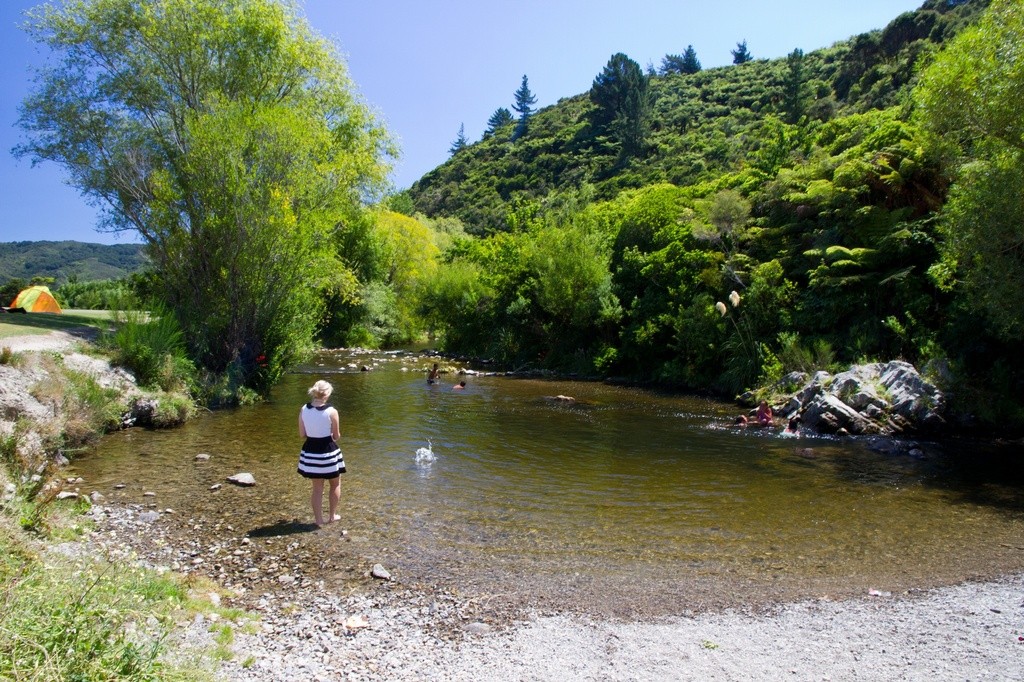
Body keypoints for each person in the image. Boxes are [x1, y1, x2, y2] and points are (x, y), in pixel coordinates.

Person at [298, 380, 345, 526]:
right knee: (335, 484)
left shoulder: (304, 409)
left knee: (317, 489)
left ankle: (318, 520)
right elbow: (336, 436)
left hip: (311, 452)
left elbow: (302, 434)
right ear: (327, 394)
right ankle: (332, 516)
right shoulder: (332, 411)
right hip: (328, 451)